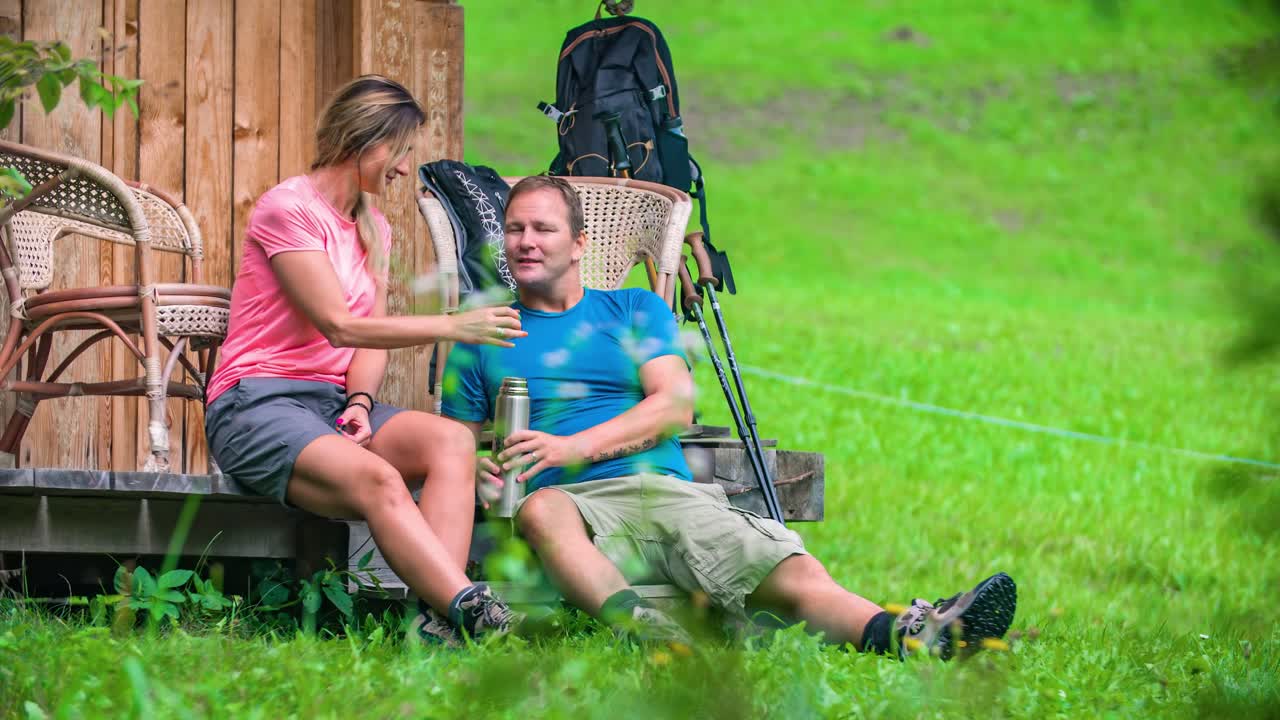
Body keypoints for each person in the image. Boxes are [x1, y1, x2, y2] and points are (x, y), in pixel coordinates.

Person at [441, 175, 1017, 657]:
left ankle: (914, 633)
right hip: (568, 507)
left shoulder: (632, 307)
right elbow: (456, 444)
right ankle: (650, 634)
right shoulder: (483, 331)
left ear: (579, 244)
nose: (526, 241)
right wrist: (481, 469)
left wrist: (573, 448)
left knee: (794, 573)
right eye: (515, 228)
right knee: (543, 508)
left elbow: (674, 403)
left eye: (544, 228)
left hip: (661, 491)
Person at [204, 75, 526, 646]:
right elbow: (339, 323)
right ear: (361, 140)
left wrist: (357, 401)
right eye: (398, 152)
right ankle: (469, 608)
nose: (404, 168)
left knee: (452, 442)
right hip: (256, 403)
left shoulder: (375, 228)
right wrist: (453, 325)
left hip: (331, 406)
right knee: (380, 479)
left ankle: (437, 627)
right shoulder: (289, 208)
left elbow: (363, 346)